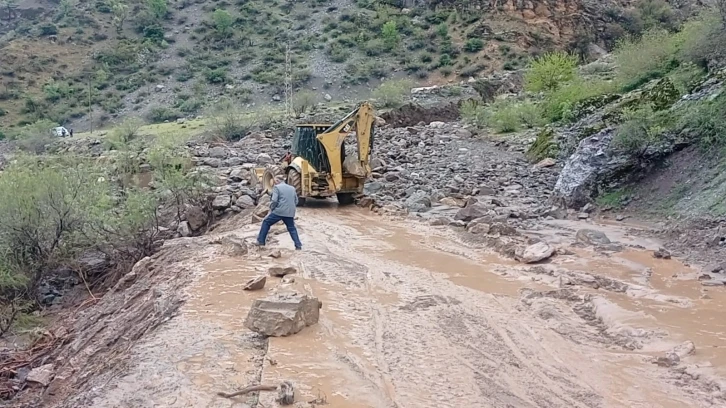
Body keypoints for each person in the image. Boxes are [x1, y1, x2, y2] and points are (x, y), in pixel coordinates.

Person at [256, 175, 302, 250]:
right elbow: (296, 201)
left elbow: (274, 200)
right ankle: (298, 245)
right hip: (290, 212)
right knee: (292, 228)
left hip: (279, 211)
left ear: (277, 181)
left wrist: (272, 208)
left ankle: (261, 241)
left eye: (274, 182)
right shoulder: (292, 188)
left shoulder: (277, 188)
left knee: (266, 222)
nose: (274, 183)